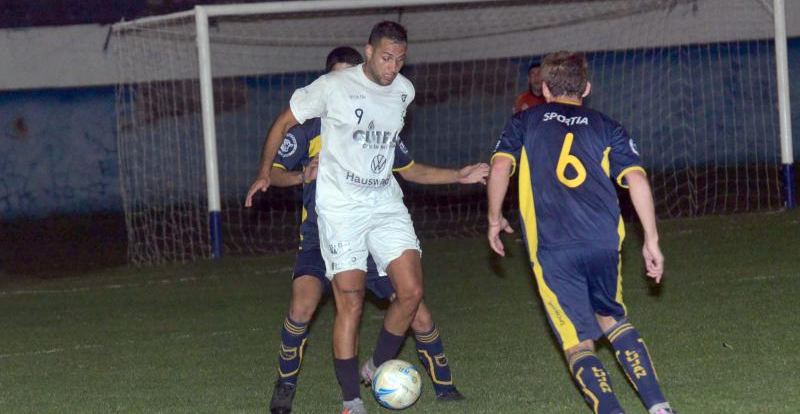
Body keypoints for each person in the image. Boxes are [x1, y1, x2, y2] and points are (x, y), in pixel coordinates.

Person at [245, 22, 457, 414]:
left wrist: (460, 174)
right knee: (307, 306)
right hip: (322, 230)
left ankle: (444, 386)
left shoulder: (390, 100)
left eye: (399, 59)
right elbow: (275, 161)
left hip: (375, 219)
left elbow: (403, 163)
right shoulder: (311, 121)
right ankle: (291, 388)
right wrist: (294, 174)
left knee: (414, 301)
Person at [487, 51, 676, 414]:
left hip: (553, 248)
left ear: (543, 88)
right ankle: (659, 407)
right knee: (612, 319)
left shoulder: (525, 121)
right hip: (603, 241)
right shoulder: (607, 126)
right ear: (586, 88)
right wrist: (651, 238)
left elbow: (499, 168)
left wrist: (494, 218)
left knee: (576, 341)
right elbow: (636, 177)